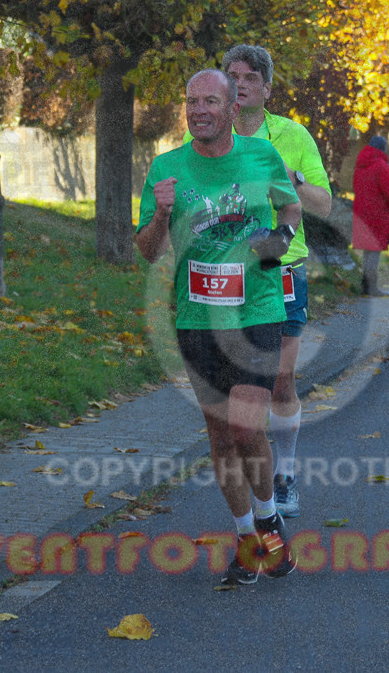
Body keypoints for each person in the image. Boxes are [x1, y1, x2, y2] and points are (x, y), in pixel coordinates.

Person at [136, 69, 301, 585]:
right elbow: (149, 252)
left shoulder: (261, 156)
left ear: (233, 109)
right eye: (191, 101)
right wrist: (161, 215)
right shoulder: (166, 169)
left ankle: (268, 517)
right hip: (197, 318)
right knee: (221, 436)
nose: (198, 110)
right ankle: (248, 537)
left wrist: (278, 242)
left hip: (257, 312)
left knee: (246, 427)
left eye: (210, 101)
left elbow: (290, 205)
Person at [220, 44, 332, 519]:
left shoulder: (292, 135)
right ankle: (249, 477)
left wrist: (292, 179)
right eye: (232, 76)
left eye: (250, 77)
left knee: (280, 379)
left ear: (266, 89)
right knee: (237, 383)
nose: (240, 84)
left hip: (282, 268)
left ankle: (284, 475)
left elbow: (324, 205)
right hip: (228, 272)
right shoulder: (208, 134)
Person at [352, 136, 389, 297]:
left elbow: (355, 187)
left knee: (367, 250)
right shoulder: (381, 165)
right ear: (383, 149)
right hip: (377, 213)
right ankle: (371, 287)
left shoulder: (360, 164)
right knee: (374, 250)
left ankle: (365, 284)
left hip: (361, 211)